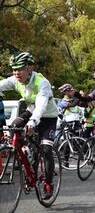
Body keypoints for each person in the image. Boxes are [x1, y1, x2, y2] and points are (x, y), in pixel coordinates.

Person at [0, 52, 58, 199]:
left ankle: (48, 184)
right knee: (14, 126)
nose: (16, 72)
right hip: (31, 110)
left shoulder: (41, 83)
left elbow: (41, 105)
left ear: (29, 68)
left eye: (19, 68)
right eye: (14, 69)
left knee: (46, 149)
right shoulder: (15, 80)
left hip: (47, 116)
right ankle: (25, 152)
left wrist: (33, 121)